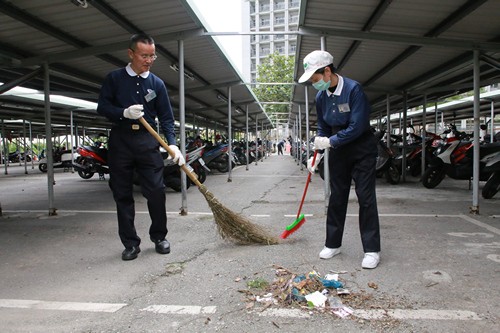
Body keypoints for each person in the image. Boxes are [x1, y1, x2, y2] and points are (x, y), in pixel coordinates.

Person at [97, 33, 185, 261]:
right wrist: (123, 113)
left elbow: (166, 117)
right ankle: (130, 243)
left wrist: (173, 145)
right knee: (122, 194)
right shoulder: (114, 79)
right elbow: (102, 107)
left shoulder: (157, 84)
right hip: (121, 142)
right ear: (131, 54)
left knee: (156, 191)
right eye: (144, 55)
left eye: (152, 55)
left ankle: (159, 236)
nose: (149, 60)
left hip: (148, 142)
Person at [299, 50, 381, 269]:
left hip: (362, 148)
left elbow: (357, 126)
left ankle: (372, 250)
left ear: (327, 71)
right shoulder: (321, 97)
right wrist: (317, 150)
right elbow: (323, 126)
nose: (315, 84)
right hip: (338, 151)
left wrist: (331, 142)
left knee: (365, 198)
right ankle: (332, 244)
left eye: (315, 79)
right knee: (336, 197)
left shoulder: (354, 90)